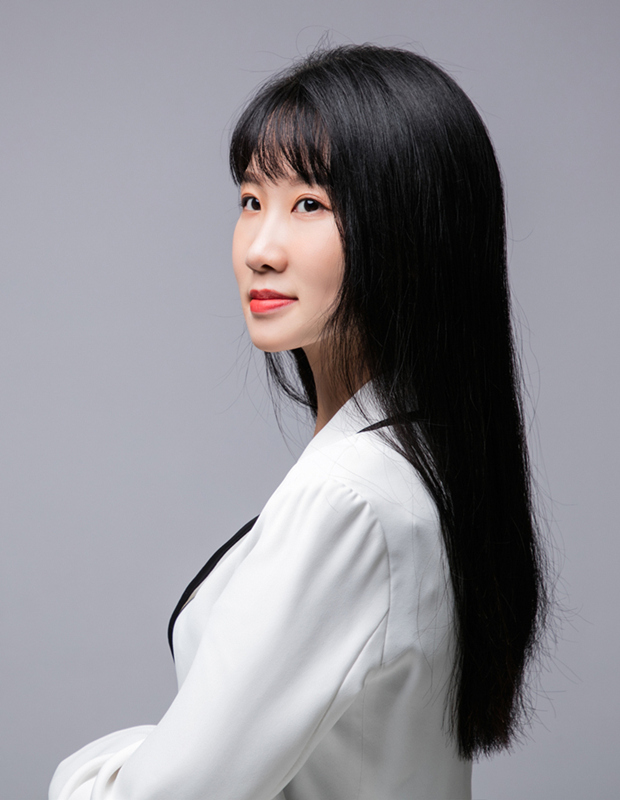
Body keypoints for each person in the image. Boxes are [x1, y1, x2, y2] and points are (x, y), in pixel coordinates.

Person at [49, 44, 548, 800]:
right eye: (251, 200)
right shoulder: (422, 462)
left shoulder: (348, 501)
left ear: (411, 230)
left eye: (309, 204)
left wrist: (89, 770)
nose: (260, 249)